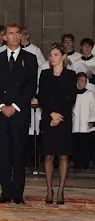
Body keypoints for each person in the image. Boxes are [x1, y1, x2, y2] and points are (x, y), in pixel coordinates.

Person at [0, 23, 38, 204]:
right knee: (3, 154)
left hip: (19, 113)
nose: (15, 36)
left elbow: (31, 86)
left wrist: (14, 106)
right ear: (4, 37)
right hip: (1, 114)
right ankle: (5, 192)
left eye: (18, 34)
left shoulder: (30, 58)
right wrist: (1, 105)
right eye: (11, 33)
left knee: (19, 154)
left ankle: (17, 193)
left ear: (22, 37)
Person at [37, 44, 76, 205]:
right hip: (48, 117)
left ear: (63, 56)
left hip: (64, 118)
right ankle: (49, 190)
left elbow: (71, 98)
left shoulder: (70, 75)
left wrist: (59, 116)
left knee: (63, 155)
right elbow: (42, 97)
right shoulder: (45, 74)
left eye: (55, 54)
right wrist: (51, 114)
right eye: (50, 54)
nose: (52, 57)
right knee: (48, 155)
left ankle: (60, 190)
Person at [72, 73, 95, 170]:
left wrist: (92, 121)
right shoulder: (73, 94)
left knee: (85, 144)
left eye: (85, 81)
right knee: (76, 143)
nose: (83, 83)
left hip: (85, 124)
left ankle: (85, 163)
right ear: (77, 81)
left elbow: (93, 108)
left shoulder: (89, 94)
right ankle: (76, 163)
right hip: (75, 123)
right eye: (81, 81)